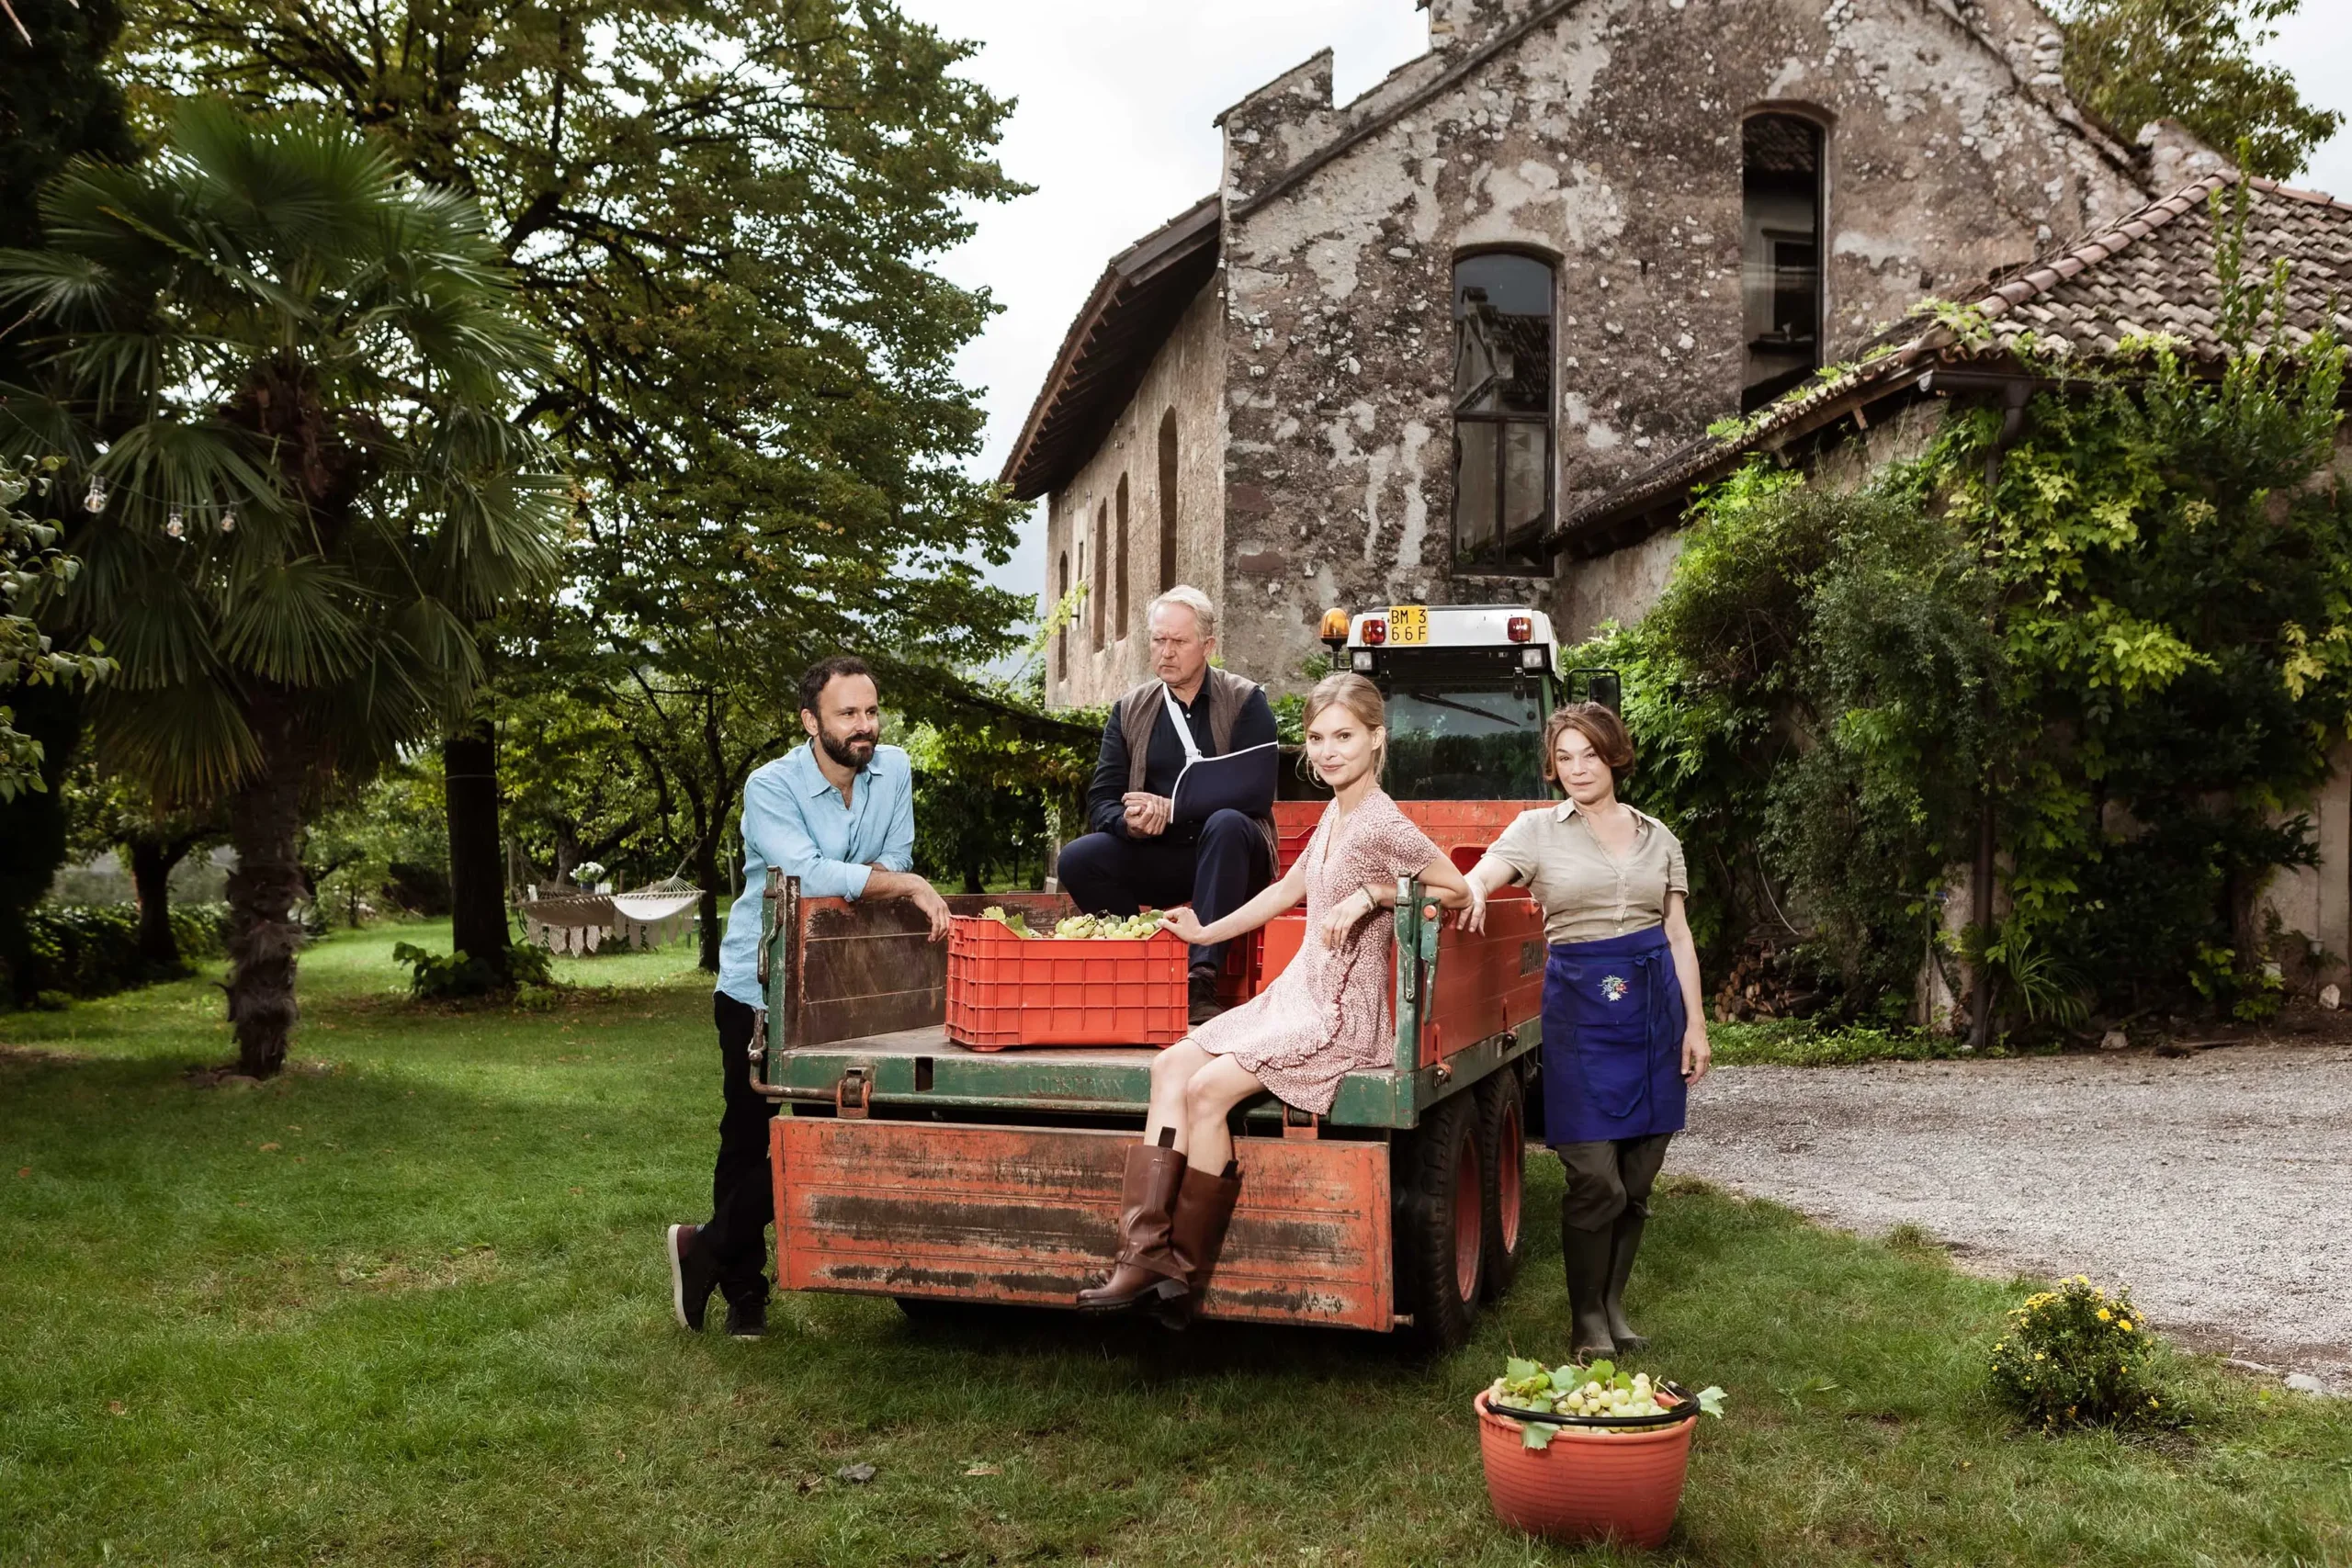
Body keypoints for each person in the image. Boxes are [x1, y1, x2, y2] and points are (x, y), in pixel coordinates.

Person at [1077, 672, 1476, 1323]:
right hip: (1297, 991)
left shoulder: (1383, 820)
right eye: (1318, 738)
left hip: (1341, 1012)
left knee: (1207, 1092)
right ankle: (1142, 1254)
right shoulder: (1334, 812)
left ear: (1377, 740)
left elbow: (1456, 890)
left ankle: (1180, 1274)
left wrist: (1376, 894)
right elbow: (1285, 889)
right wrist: (1206, 928)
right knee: (1169, 1065)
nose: (1328, 751)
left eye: (1344, 736)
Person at [666, 655, 952, 1339]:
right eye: (848, 713)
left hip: (850, 988)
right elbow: (806, 872)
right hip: (760, 984)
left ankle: (700, 1247)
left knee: (835, 1129)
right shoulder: (770, 786)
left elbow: (892, 856)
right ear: (810, 721)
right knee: (748, 1133)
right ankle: (743, 1292)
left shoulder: (897, 770)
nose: (865, 726)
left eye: (872, 711)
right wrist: (901, 885)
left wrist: (887, 877)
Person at [1458, 702, 1710, 1360]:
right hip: (1580, 1014)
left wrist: (1697, 1026)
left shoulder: (1660, 837)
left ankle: (1612, 1304)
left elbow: (1679, 935)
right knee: (1596, 1177)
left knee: (1640, 1171)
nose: (1576, 768)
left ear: (1614, 756)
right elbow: (1484, 874)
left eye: (1588, 755)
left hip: (1655, 1011)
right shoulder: (1535, 831)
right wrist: (1476, 889)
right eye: (1564, 757)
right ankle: (1585, 1319)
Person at [1057, 585, 1278, 1024]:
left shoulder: (1246, 700)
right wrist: (1129, 824)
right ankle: (1140, 963)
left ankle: (1201, 977)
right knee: (1078, 859)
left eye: (1179, 642)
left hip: (1233, 858)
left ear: (1208, 646)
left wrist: (1173, 808)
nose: (1167, 653)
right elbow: (1102, 799)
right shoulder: (1130, 709)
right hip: (1159, 854)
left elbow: (1256, 792)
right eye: (1159, 640)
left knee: (1229, 822)